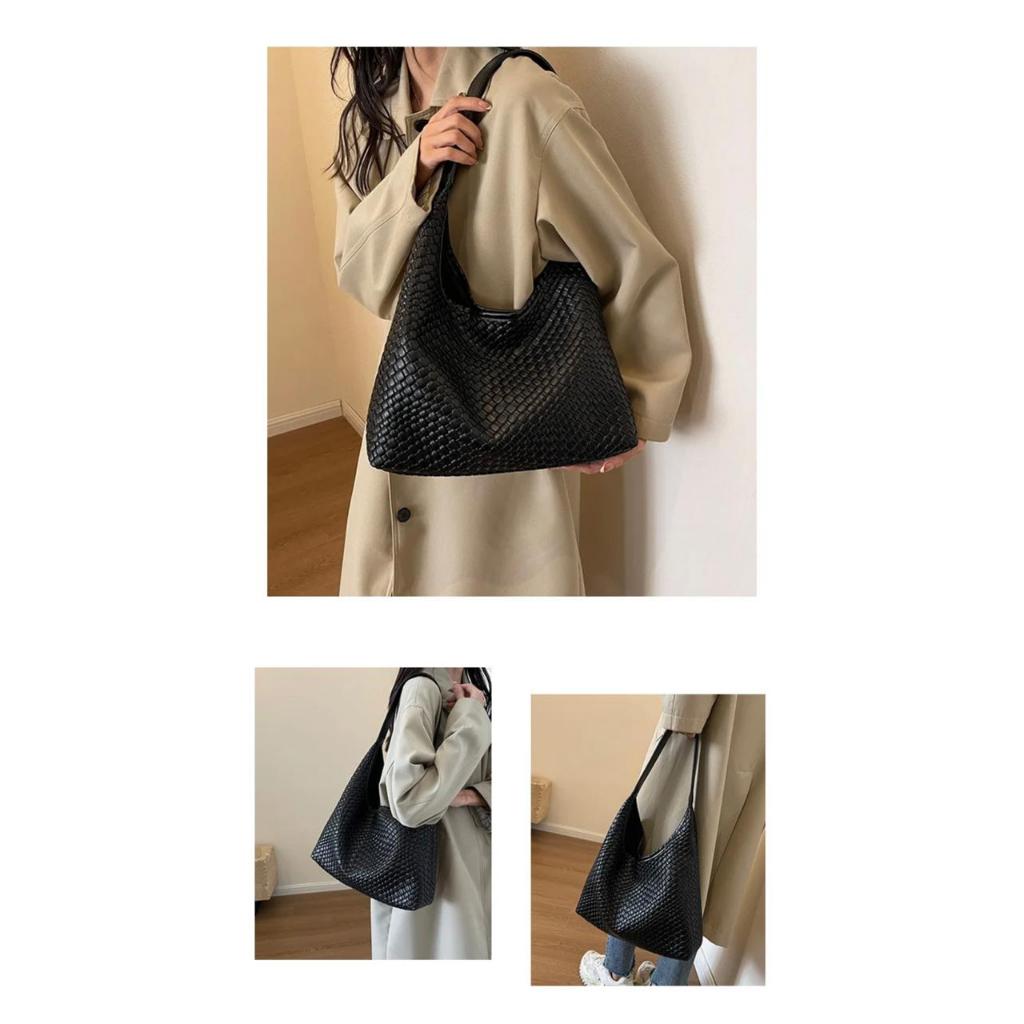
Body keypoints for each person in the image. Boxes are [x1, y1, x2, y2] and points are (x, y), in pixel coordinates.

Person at [330, 47, 691, 595]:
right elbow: (359, 275)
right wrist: (415, 170)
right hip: (400, 426)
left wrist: (635, 408)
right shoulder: (368, 113)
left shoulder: (527, 101)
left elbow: (631, 258)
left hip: (506, 444)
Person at [580, 694, 765, 985]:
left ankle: (615, 973)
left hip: (707, 727)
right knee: (701, 872)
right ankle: (667, 984)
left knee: (645, 842)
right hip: (757, 741)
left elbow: (686, 711)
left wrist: (681, 712)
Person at [372, 667, 492, 959]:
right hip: (435, 864)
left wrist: (476, 795)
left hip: (470, 854)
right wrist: (470, 716)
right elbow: (410, 803)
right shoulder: (421, 689)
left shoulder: (472, 688)